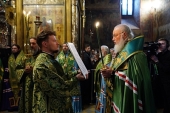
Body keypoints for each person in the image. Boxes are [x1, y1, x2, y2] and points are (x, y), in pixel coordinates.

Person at [101, 24, 156, 113]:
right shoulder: (121, 53)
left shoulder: (137, 55)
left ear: (124, 35)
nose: (113, 39)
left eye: (115, 35)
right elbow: (118, 71)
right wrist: (110, 72)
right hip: (119, 94)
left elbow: (136, 79)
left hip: (130, 97)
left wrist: (112, 73)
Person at [32, 30, 87, 113]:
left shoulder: (49, 59)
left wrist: (76, 73)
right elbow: (59, 88)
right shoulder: (42, 64)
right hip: (49, 108)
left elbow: (61, 76)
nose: (58, 43)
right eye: (54, 41)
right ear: (45, 44)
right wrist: (76, 78)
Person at [15, 37, 40, 113]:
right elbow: (17, 69)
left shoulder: (42, 56)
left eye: (34, 43)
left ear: (38, 44)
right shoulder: (24, 57)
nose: (32, 45)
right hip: (27, 87)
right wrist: (24, 71)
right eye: (30, 43)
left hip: (37, 86)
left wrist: (33, 70)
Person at [57, 43, 82, 113]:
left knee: (74, 99)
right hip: (63, 81)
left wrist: (76, 72)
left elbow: (77, 68)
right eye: (63, 46)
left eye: (66, 46)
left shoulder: (74, 57)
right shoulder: (58, 57)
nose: (65, 47)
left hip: (74, 80)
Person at [150, 38, 170, 113]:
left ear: (167, 45)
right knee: (163, 99)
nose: (160, 45)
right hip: (160, 80)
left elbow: (166, 69)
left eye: (163, 43)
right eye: (159, 44)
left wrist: (157, 61)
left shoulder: (168, 55)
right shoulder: (159, 54)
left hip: (167, 81)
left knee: (168, 99)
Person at [94, 45, 111, 113]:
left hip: (104, 82)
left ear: (105, 52)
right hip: (101, 82)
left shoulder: (107, 59)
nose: (100, 52)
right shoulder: (103, 59)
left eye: (101, 50)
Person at [8, 44, 23, 111]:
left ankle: (19, 106)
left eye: (15, 48)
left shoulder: (23, 57)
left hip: (20, 78)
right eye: (12, 48)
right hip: (12, 78)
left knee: (20, 92)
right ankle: (13, 106)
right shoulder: (10, 57)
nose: (13, 49)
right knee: (12, 92)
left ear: (18, 49)